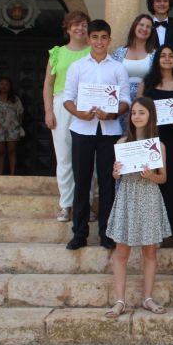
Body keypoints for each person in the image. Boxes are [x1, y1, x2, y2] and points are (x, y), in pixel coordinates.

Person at [63, 19, 131, 251]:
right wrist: (79, 113)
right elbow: (67, 99)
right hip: (82, 130)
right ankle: (79, 234)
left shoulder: (118, 68)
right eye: (95, 37)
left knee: (108, 183)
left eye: (104, 37)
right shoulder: (78, 67)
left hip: (109, 131)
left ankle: (107, 233)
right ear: (88, 39)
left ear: (109, 40)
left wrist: (112, 114)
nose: (99, 42)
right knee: (81, 182)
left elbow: (125, 101)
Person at [104, 97, 171, 318]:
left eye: (141, 112)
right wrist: (115, 170)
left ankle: (148, 298)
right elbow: (116, 176)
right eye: (133, 113)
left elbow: (163, 179)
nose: (137, 116)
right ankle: (120, 300)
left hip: (149, 197)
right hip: (128, 196)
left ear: (150, 115)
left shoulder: (158, 145)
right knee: (122, 251)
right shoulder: (122, 142)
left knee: (150, 251)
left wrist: (152, 175)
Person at [138, 45, 173, 248]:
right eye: (163, 55)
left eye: (171, 56)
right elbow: (137, 112)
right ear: (157, 60)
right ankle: (156, 233)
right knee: (154, 186)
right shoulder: (146, 85)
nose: (167, 59)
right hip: (152, 142)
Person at [42, 11, 92, 222]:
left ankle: (86, 205)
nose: (79, 29)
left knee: (89, 158)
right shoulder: (57, 53)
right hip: (61, 103)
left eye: (83, 25)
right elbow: (48, 84)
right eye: (75, 25)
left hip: (88, 103)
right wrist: (48, 111)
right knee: (64, 156)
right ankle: (66, 205)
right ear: (68, 28)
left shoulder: (93, 51)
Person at [111, 14, 156, 130]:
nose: (144, 29)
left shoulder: (155, 54)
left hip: (145, 102)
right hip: (121, 102)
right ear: (134, 26)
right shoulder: (120, 52)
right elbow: (111, 77)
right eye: (141, 25)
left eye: (148, 27)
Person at [0, 76, 24, 175]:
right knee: (0, 152)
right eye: (2, 84)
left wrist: (18, 125)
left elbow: (21, 113)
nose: (4, 86)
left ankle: (12, 174)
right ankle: (0, 174)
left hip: (13, 129)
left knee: (12, 152)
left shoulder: (15, 99)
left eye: (6, 84)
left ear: (10, 86)